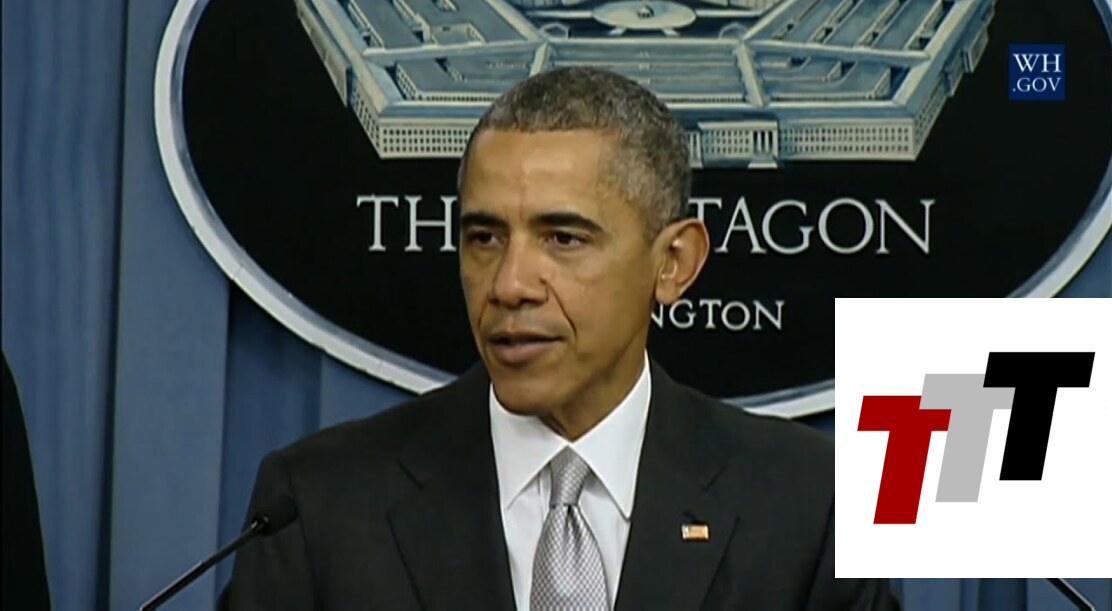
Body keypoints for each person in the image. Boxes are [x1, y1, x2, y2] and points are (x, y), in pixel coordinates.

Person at [228, 66, 898, 610]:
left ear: (673, 263)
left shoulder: (809, 504)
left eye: (563, 238)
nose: (510, 283)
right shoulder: (318, 505)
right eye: (484, 237)